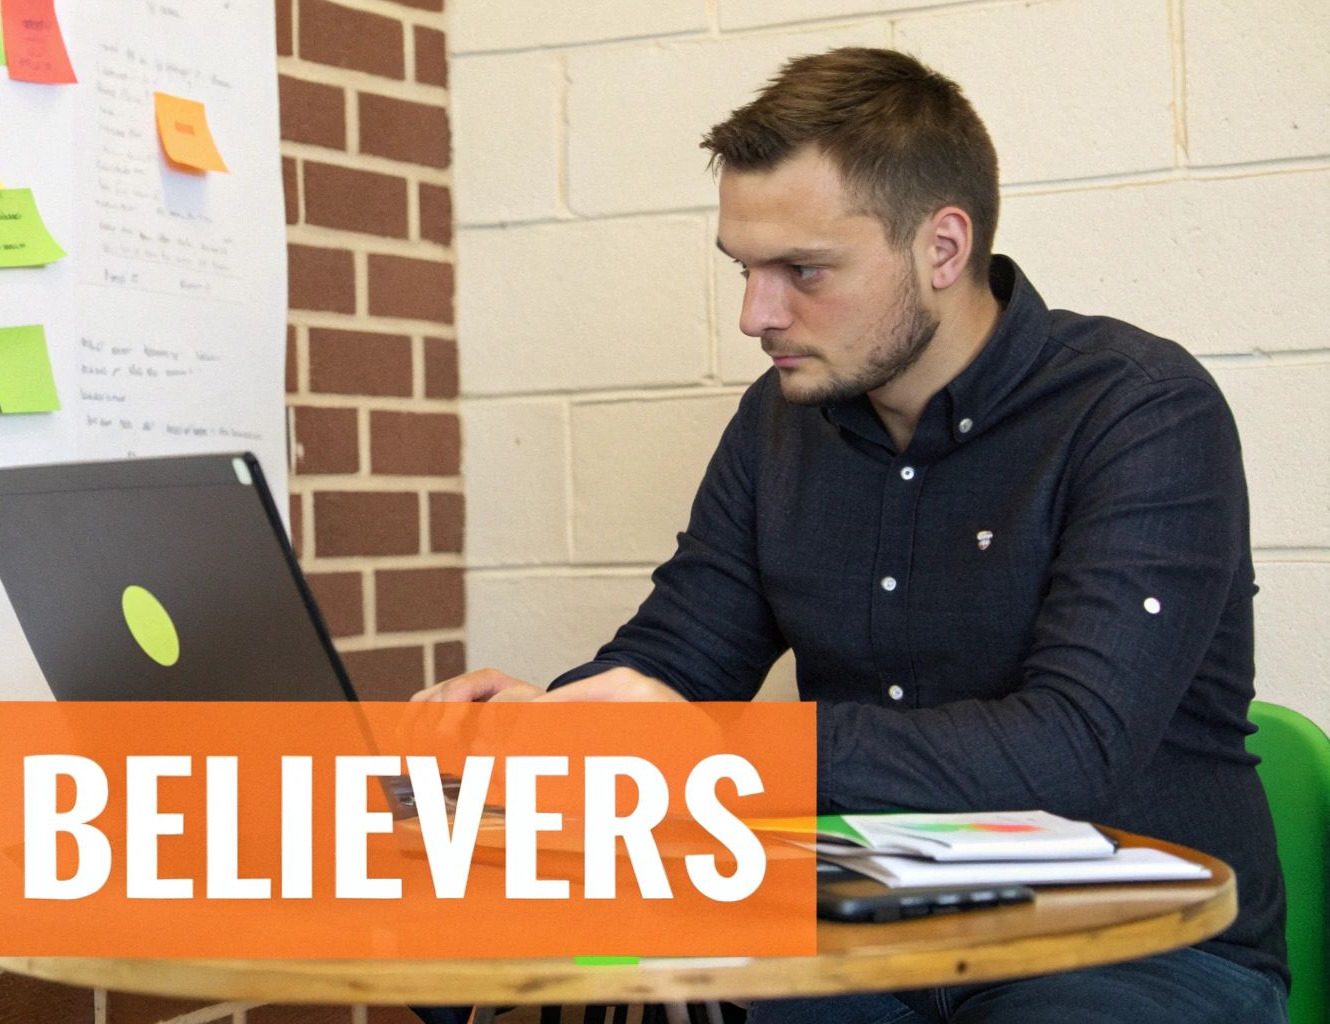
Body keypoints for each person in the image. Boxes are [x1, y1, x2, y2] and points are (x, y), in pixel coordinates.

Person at [414, 48, 1288, 1023]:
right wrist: (545, 729)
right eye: (743, 269)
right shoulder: (777, 420)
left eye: (802, 270)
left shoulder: (1140, 411)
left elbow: (1070, 746)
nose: (755, 314)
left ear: (941, 248)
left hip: (1136, 947)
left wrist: (704, 748)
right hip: (862, 938)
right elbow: (675, 661)